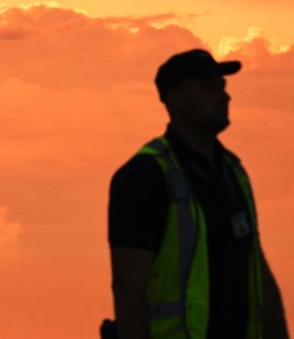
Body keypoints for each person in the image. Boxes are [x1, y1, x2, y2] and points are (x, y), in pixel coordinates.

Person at [107, 49, 289, 339]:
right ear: (175, 98)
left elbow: (257, 270)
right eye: (208, 87)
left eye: (222, 87)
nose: (224, 97)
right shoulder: (144, 175)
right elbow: (129, 287)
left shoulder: (233, 172)